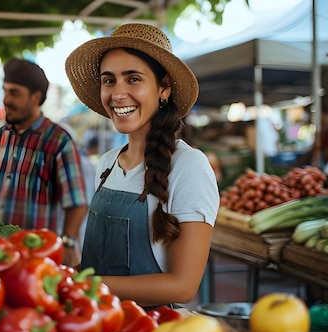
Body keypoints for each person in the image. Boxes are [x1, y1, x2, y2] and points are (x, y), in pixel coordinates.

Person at [64, 23, 219, 308]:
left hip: (149, 331)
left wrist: (85, 284)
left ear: (164, 89)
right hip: (91, 321)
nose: (118, 93)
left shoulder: (188, 166)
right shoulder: (107, 163)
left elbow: (183, 286)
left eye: (133, 79)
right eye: (109, 80)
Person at [0, 58, 88, 266]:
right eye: (5, 91)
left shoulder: (58, 141)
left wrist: (68, 242)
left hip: (36, 261)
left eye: (14, 93)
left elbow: (77, 203)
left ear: (35, 97)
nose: (6, 99)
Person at [296, 96, 328, 168]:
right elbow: (313, 150)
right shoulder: (324, 133)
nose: (322, 125)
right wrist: (297, 165)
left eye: (323, 122)